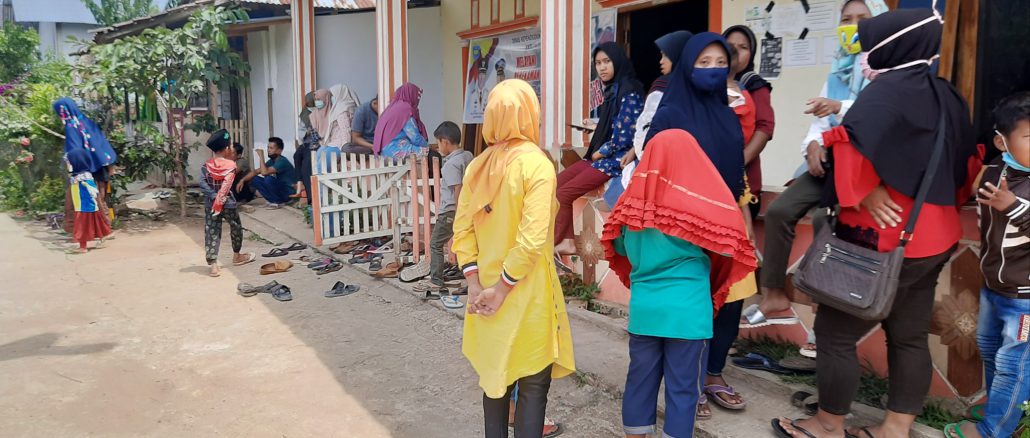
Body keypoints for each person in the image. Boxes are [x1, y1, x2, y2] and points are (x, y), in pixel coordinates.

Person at [774, 8, 981, 438]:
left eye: (869, 46)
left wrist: (864, 191)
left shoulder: (885, 92)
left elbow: (850, 146)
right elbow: (966, 163)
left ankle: (827, 424)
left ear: (891, 45)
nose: (864, 55)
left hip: (882, 238)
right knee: (907, 336)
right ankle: (895, 428)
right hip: (935, 235)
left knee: (834, 333)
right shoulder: (946, 93)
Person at [744, 0, 890, 331]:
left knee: (828, 221)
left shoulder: (890, 70)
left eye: (862, 19)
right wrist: (811, 145)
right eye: (846, 19)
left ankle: (826, 310)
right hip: (832, 161)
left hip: (869, 170)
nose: (853, 26)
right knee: (780, 211)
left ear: (880, 22)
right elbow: (819, 124)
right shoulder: (838, 69)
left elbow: (883, 116)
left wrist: (840, 107)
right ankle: (774, 295)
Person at [602, 129, 757, 438]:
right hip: (689, 314)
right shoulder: (700, 205)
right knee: (684, 390)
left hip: (646, 310)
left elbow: (618, 248)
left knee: (639, 381)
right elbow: (728, 246)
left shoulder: (632, 205)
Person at [453, 79, 575, 438]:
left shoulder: (477, 167)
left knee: (495, 385)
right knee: (533, 386)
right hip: (526, 295)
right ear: (529, 114)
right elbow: (532, 240)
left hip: (485, 296)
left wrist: (476, 285)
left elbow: (462, 232)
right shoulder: (537, 165)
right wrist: (503, 289)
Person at [943, 91, 1029, 438]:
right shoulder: (995, 171)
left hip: (1025, 298)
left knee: (1014, 365)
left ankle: (993, 430)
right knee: (991, 350)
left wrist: (1013, 206)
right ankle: (1002, 408)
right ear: (1001, 142)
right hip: (993, 288)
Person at [696, 42, 762, 419]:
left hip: (731, 217)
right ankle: (689, 378)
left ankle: (713, 374)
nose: (714, 68)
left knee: (732, 299)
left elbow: (737, 169)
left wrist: (746, 218)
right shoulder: (680, 113)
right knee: (697, 302)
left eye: (721, 62)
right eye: (705, 61)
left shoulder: (730, 114)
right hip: (692, 221)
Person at [554, 42, 644, 255]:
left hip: (616, 159)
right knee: (554, 184)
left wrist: (600, 151)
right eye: (598, 63)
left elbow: (625, 136)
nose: (602, 67)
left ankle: (565, 242)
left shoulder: (630, 91)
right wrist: (596, 128)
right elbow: (614, 124)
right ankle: (558, 239)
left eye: (607, 61)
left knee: (564, 193)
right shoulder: (613, 90)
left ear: (617, 61)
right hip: (601, 158)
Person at [619, 30, 693, 190]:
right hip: (684, 169)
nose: (661, 61)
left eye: (666, 55)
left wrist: (639, 152)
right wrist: (634, 150)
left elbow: (647, 128)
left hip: (657, 164)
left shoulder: (662, 86)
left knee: (616, 197)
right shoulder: (696, 88)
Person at [414, 121, 473, 302]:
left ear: (445, 142)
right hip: (469, 208)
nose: (438, 147)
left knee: (435, 244)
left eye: (438, 142)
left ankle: (436, 280)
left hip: (451, 210)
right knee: (469, 244)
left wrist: (459, 213)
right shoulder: (468, 156)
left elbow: (457, 188)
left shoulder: (450, 165)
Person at [723, 24, 777, 219]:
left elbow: (765, 127)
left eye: (743, 47)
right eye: (730, 45)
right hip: (714, 181)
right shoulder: (711, 83)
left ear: (752, 53)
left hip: (744, 182)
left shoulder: (753, 84)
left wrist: (739, 162)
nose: (735, 52)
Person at [53, 97, 117, 236]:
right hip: (100, 166)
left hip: (83, 171)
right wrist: (110, 165)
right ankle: (102, 229)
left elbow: (74, 151)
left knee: (79, 201)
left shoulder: (71, 127)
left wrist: (71, 166)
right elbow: (101, 143)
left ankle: (84, 230)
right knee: (99, 198)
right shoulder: (86, 121)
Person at [200, 129, 256, 277]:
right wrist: (220, 197)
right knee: (236, 226)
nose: (232, 148)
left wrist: (213, 196)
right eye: (230, 145)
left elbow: (202, 183)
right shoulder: (231, 165)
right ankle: (237, 256)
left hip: (211, 204)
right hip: (228, 203)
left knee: (212, 231)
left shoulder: (206, 166)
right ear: (226, 149)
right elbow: (227, 184)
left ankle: (213, 265)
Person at [65, 147, 112, 254]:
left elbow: (93, 191)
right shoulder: (77, 175)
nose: (68, 164)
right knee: (96, 221)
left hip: (84, 206)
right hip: (82, 205)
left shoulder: (83, 176)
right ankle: (103, 238)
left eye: (70, 162)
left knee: (82, 225)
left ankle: (83, 247)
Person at [237, 137, 298, 208]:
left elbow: (264, 173)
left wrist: (261, 157)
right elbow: (256, 171)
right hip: (281, 190)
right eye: (268, 147)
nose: (268, 150)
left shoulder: (282, 161)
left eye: (271, 148)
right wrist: (242, 180)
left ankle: (278, 202)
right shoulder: (272, 161)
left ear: (279, 151)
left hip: (288, 193)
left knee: (268, 179)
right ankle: (273, 201)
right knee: (253, 178)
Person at [374, 83, 429, 160]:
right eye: (417, 97)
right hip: (394, 150)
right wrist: (427, 146)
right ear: (411, 95)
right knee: (429, 154)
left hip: (383, 151)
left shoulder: (392, 107)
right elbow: (414, 137)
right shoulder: (405, 109)